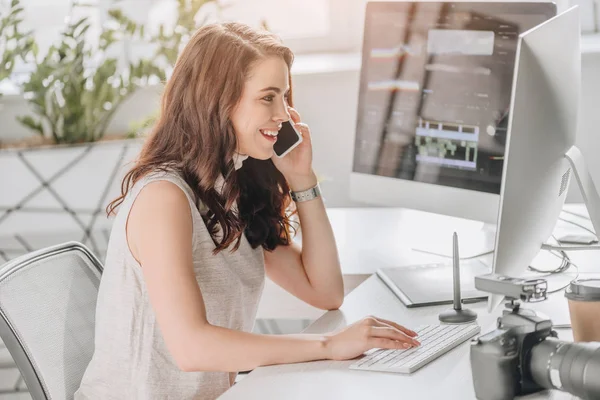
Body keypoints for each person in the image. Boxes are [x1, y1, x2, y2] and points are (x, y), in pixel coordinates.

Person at [75, 22, 419, 400]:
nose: (285, 115)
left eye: (286, 97)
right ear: (218, 101)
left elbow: (325, 292)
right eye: (268, 98)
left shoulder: (235, 186)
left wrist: (302, 179)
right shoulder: (164, 197)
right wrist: (328, 345)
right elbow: (192, 348)